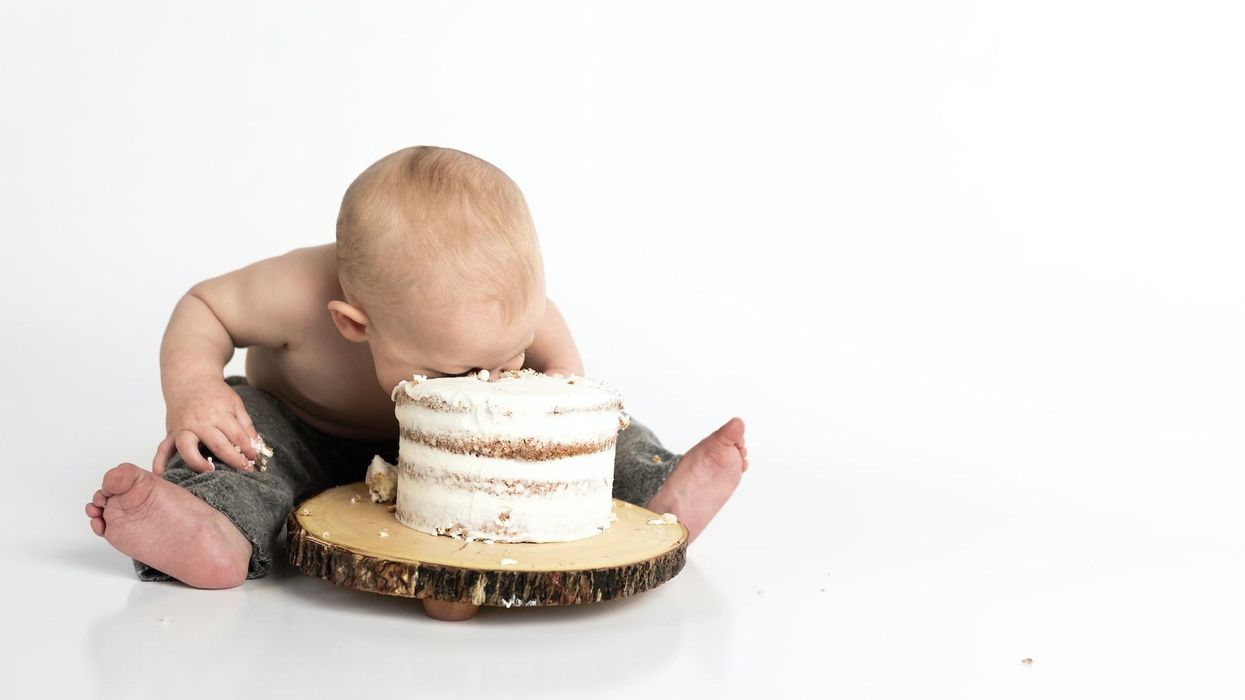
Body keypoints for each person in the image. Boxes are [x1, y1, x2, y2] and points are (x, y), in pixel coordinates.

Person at [84, 146, 749, 589]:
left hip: (468, 456)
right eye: (454, 372)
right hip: (304, 433)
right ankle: (211, 528)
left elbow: (557, 359)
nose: (482, 383)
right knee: (239, 440)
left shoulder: (499, 311)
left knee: (599, 428)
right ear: (354, 323)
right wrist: (194, 389)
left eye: (507, 356)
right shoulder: (294, 292)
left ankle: (656, 488)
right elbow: (204, 307)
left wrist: (555, 400)